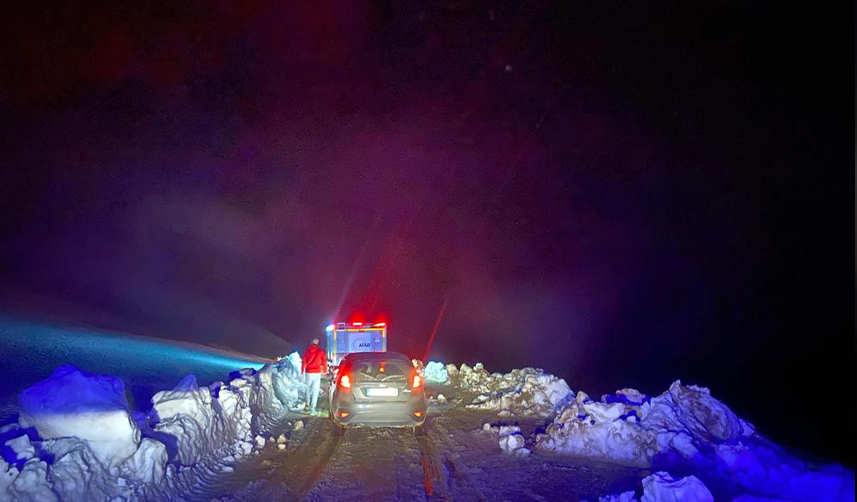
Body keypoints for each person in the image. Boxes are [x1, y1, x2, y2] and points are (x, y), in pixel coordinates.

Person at [301, 338, 328, 415]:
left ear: (311, 343)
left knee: (307, 389)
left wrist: (302, 372)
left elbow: (304, 362)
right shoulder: (320, 352)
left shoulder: (306, 352)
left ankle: (307, 404)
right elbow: (324, 361)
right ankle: (312, 409)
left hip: (308, 373)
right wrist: (325, 370)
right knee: (315, 391)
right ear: (317, 344)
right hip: (317, 373)